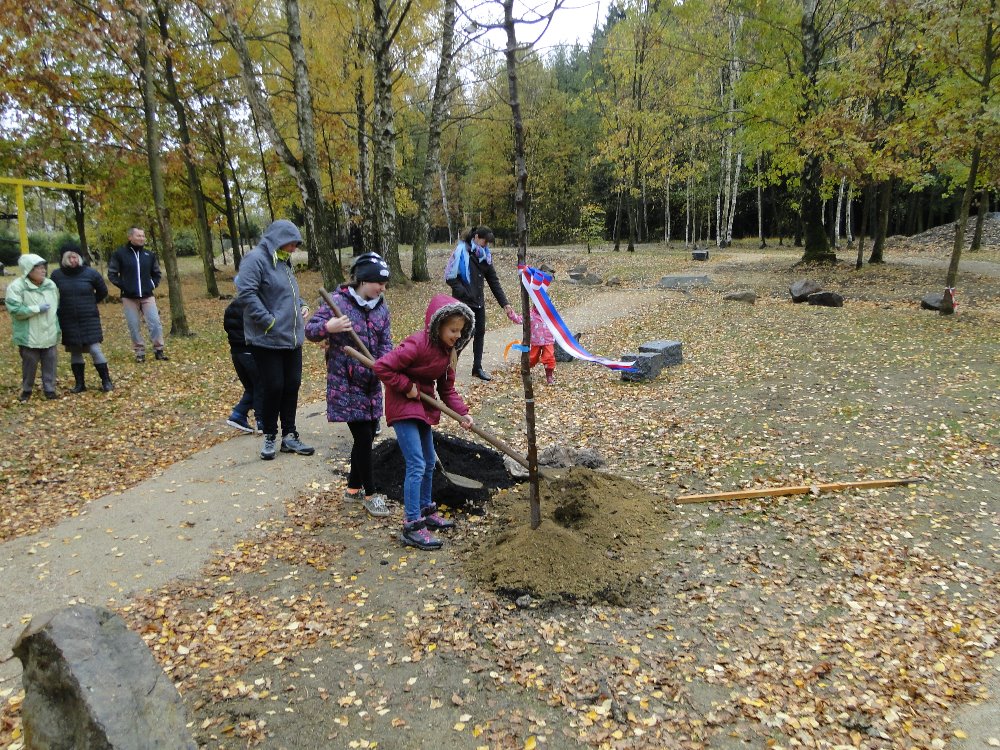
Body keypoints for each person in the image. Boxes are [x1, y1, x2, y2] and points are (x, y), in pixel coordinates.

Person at [373, 294, 475, 550]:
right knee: (417, 463)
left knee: (429, 462)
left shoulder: (448, 352)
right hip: (403, 404)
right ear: (438, 325)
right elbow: (383, 367)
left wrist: (463, 413)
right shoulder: (417, 344)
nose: (456, 335)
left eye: (460, 331)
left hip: (423, 406)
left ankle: (426, 511)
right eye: (452, 330)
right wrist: (406, 386)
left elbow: (447, 390)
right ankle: (412, 525)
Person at [305, 252, 393, 517]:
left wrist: (385, 365)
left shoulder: (381, 307)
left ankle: (352, 490)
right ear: (363, 280)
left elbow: (385, 342)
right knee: (364, 438)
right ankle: (371, 495)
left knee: (367, 436)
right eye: (379, 283)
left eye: (384, 284)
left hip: (371, 382)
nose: (382, 288)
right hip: (346, 383)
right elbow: (310, 330)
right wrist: (329, 326)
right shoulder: (338, 302)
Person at [236, 219, 314, 460]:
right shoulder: (255, 259)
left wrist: (302, 305)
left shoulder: (283, 260)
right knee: (274, 386)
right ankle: (270, 434)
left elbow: (287, 294)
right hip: (266, 339)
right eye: (292, 243)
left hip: (291, 337)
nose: (294, 248)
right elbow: (246, 293)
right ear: (279, 238)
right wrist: (268, 321)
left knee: (292, 385)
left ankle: (289, 435)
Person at [444, 226, 518, 381]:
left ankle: (477, 367)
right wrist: (464, 292)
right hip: (463, 302)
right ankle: (449, 366)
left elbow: (493, 281)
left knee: (480, 333)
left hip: (478, 302)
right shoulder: (461, 252)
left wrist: (505, 304)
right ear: (476, 237)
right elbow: (450, 277)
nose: (486, 245)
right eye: (485, 241)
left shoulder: (485, 256)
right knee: (463, 335)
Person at [50, 249, 114, 393]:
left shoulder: (90, 273)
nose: (73, 260)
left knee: (94, 349)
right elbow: (51, 293)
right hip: (68, 318)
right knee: (75, 350)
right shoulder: (57, 275)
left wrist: (90, 302)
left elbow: (103, 291)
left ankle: (106, 381)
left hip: (88, 317)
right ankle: (80, 384)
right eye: (69, 258)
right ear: (64, 259)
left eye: (75, 257)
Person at [107, 226, 168, 362]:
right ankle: (139, 352)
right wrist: (124, 286)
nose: (141, 238)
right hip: (129, 297)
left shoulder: (149, 255)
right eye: (138, 235)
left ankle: (159, 350)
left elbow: (157, 273)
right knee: (134, 325)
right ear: (130, 237)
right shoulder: (120, 254)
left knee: (155, 323)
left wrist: (151, 285)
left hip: (147, 296)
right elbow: (112, 274)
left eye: (143, 236)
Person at [5, 254, 60, 401]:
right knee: (30, 364)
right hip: (29, 335)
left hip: (49, 332)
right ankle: (27, 390)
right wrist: (36, 309)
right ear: (29, 270)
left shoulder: (50, 285)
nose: (43, 271)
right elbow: (15, 310)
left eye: (44, 268)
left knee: (50, 362)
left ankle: (50, 389)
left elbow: (56, 306)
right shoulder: (16, 287)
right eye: (39, 268)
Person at [223, 291, 261, 433]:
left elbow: (227, 328)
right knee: (261, 386)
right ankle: (261, 420)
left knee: (252, 387)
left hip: (236, 353)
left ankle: (238, 415)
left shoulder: (231, 307)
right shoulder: (252, 306)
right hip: (250, 352)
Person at [509, 305, 557, 385]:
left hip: (548, 341)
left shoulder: (550, 314)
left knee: (549, 358)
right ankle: (526, 370)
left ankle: (549, 375)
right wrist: (511, 313)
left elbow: (558, 325)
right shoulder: (531, 315)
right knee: (532, 358)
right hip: (535, 341)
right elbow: (519, 320)